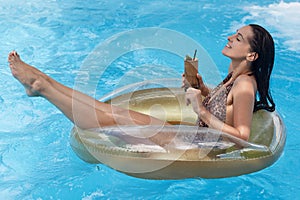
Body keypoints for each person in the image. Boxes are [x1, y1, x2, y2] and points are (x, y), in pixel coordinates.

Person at [8, 24, 275, 142]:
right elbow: (223, 109)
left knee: (107, 119)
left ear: (251, 55)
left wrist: (201, 110)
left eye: (238, 38)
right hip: (189, 134)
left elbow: (242, 136)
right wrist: (203, 90)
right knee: (109, 111)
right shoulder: (236, 77)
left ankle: (41, 86)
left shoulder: (244, 86)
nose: (230, 37)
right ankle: (41, 82)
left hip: (193, 146)